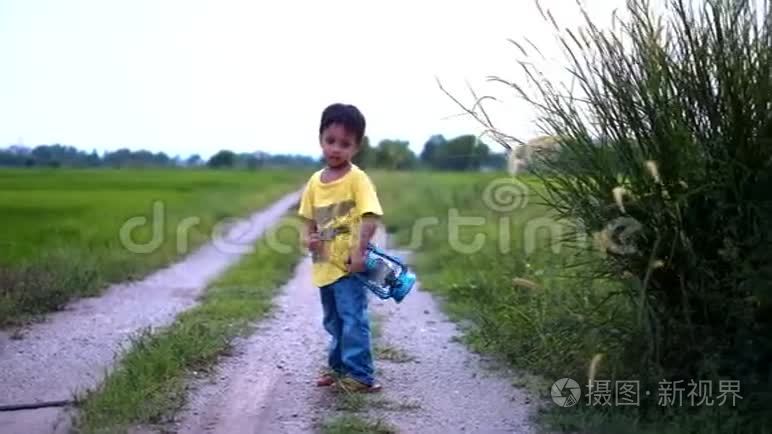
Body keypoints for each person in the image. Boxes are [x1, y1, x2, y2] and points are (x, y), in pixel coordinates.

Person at [297, 103, 383, 393]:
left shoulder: (357, 179)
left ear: (356, 147)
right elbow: (307, 219)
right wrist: (308, 238)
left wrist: (358, 252)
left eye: (345, 144)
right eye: (330, 141)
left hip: (348, 264)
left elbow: (370, 216)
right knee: (333, 321)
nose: (335, 149)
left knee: (352, 319)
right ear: (321, 138)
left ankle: (360, 375)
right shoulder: (314, 182)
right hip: (323, 266)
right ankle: (338, 370)